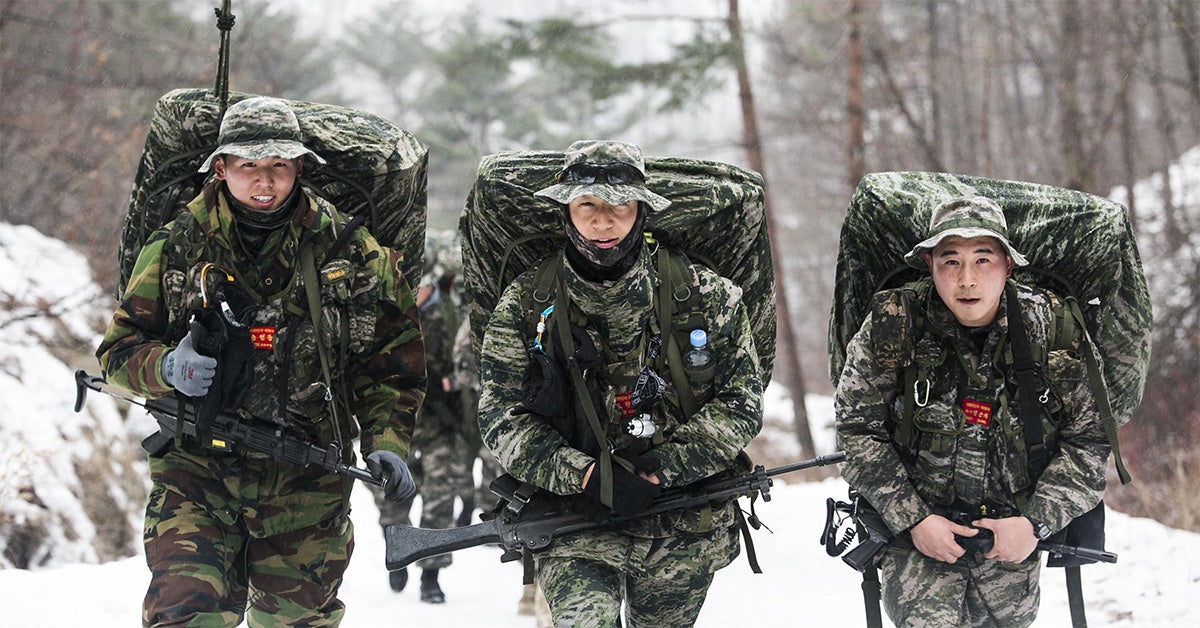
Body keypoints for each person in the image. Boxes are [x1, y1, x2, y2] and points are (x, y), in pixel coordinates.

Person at [96, 96, 426, 626]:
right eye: (249, 166)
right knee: (186, 613)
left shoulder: (351, 251)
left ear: (299, 166)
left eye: (278, 166)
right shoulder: (178, 243)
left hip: (307, 476)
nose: (265, 182)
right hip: (196, 469)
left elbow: (394, 366)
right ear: (222, 168)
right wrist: (165, 367)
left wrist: (387, 443)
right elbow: (118, 349)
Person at [476, 140, 763, 626]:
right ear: (565, 208)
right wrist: (585, 475)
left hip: (681, 519)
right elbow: (501, 416)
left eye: (619, 206)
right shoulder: (527, 302)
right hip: (577, 518)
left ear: (642, 211)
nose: (602, 222)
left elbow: (742, 400)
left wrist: (663, 467)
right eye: (588, 204)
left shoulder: (706, 294)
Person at [834, 196, 1111, 627]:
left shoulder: (1053, 327)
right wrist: (913, 518)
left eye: (983, 260)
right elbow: (855, 430)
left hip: (1012, 538)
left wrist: (1035, 523)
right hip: (918, 539)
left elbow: (1090, 440)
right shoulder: (896, 323)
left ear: (1008, 266)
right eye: (950, 262)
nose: (967, 280)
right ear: (929, 265)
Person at [372, 232, 475, 604]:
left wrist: (453, 386)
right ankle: (397, 548)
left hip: (439, 424)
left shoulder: (449, 316)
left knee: (439, 499)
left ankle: (430, 575)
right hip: (393, 423)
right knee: (392, 498)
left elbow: (465, 364)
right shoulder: (385, 314)